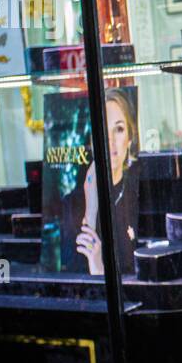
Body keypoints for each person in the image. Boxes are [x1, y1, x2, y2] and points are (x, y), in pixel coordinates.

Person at [63, 88, 140, 275]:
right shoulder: (72, 203)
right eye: (103, 130)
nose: (110, 141)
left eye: (119, 129)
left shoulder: (138, 193)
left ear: (130, 138)